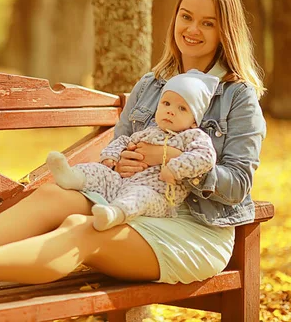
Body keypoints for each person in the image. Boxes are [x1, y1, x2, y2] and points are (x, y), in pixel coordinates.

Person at [0, 0, 267, 311]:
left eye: (208, 23)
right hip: (131, 204)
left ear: (224, 31)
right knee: (53, 195)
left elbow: (238, 185)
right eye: (186, 17)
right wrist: (123, 162)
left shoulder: (237, 95)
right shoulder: (152, 85)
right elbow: (118, 150)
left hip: (191, 229)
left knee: (83, 228)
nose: (192, 30)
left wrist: (169, 157)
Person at [46, 69, 219, 232]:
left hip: (158, 196)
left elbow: (205, 157)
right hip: (123, 183)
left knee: (140, 196)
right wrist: (111, 157)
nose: (171, 111)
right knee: (99, 171)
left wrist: (175, 168)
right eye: (166, 103)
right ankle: (73, 177)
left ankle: (114, 214)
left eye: (182, 108)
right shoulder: (150, 131)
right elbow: (124, 141)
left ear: (194, 121)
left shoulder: (193, 136)